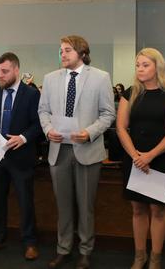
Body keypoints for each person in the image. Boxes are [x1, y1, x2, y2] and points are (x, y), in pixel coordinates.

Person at [38, 35, 115, 269]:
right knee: (63, 205)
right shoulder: (50, 79)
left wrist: (90, 132)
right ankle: (63, 249)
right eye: (61, 50)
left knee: (86, 205)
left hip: (87, 149)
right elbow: (43, 111)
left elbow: (108, 114)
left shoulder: (100, 78)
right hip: (59, 150)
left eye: (68, 50)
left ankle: (85, 250)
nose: (63, 54)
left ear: (82, 53)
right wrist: (48, 129)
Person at [116, 48, 165, 269]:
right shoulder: (130, 93)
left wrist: (150, 155)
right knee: (137, 209)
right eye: (137, 65)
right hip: (134, 158)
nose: (140, 69)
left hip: (160, 158)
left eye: (145, 64)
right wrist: (136, 156)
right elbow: (121, 128)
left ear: (157, 67)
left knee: (157, 209)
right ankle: (139, 256)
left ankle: (155, 258)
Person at [0, 52, 43, 260]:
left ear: (16, 70)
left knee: (25, 201)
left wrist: (23, 137)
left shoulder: (31, 94)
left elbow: (38, 125)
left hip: (21, 157)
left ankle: (30, 242)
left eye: (5, 71)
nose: (0, 75)